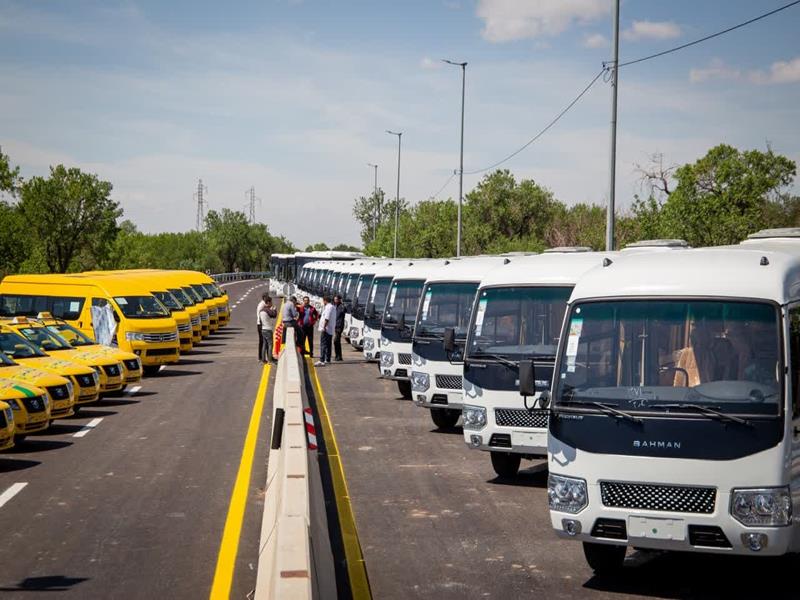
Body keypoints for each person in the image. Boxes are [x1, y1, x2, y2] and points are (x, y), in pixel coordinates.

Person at [316, 295, 336, 366]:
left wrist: (324, 327)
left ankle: (322, 360)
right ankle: (327, 359)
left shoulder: (328, 307)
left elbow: (327, 318)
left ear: (325, 301)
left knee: (323, 344)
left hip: (326, 329)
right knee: (328, 344)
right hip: (330, 329)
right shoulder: (332, 307)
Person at [259, 296, 278, 363]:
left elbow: (260, 321)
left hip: (263, 329)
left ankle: (263, 359)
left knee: (264, 344)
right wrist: (274, 309)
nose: (272, 303)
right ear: (268, 302)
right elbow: (274, 315)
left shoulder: (261, 311)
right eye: (271, 302)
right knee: (270, 344)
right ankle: (270, 359)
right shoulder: (267, 310)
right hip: (268, 329)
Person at [333, 294, 346, 361]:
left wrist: (343, 304)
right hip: (335, 326)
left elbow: (345, 310)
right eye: (334, 299)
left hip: (339, 326)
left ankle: (339, 356)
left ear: (339, 300)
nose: (335, 301)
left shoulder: (341, 306)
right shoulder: (335, 306)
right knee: (337, 342)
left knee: (336, 341)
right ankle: (338, 356)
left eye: (336, 299)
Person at [256, 293, 268, 362]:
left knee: (263, 341)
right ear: (264, 298)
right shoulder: (262, 305)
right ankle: (261, 357)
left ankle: (261, 357)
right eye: (267, 297)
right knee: (263, 341)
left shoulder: (263, 304)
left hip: (260, 324)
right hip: (261, 324)